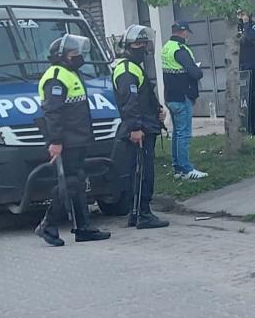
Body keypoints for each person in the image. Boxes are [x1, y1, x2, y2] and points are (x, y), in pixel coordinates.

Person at [34, 34, 111, 246]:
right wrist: (55, 141)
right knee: (68, 183)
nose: (78, 56)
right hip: (67, 141)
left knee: (77, 182)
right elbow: (53, 112)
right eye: (73, 53)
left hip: (78, 139)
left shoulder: (71, 73)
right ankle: (47, 224)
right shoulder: (56, 76)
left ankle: (83, 227)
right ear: (62, 56)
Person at [112, 25, 169, 230]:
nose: (142, 48)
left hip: (145, 125)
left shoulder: (133, 67)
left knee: (139, 170)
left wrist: (157, 112)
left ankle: (136, 213)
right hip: (140, 130)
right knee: (143, 172)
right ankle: (143, 213)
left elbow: (144, 97)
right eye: (138, 44)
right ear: (129, 46)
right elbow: (130, 102)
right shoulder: (127, 69)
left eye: (144, 44)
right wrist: (136, 128)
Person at [161, 21, 207, 179]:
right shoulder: (180, 49)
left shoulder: (166, 47)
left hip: (171, 96)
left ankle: (177, 168)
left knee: (176, 133)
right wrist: (198, 69)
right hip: (182, 97)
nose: (188, 35)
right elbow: (195, 73)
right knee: (183, 134)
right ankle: (187, 169)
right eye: (187, 32)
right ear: (184, 32)